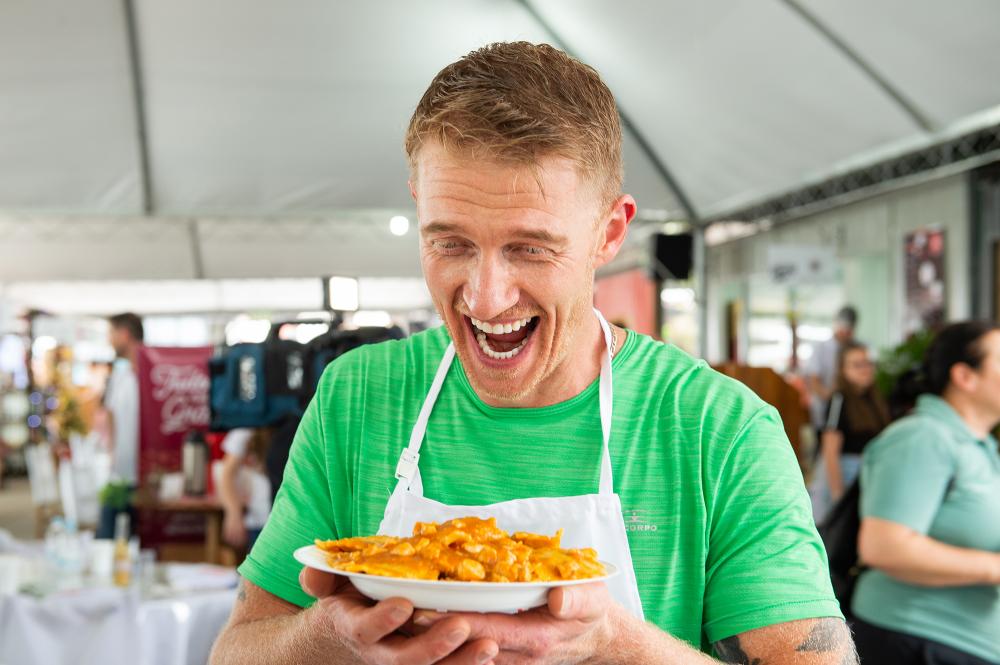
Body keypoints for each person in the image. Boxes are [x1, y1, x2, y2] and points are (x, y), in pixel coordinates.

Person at [211, 42, 855, 665]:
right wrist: (333, 637)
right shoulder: (356, 396)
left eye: (531, 249)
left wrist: (613, 645)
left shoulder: (718, 428)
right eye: (451, 243)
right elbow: (236, 652)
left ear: (609, 232)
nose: (487, 299)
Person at [853, 321, 1000, 664]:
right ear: (965, 377)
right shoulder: (923, 437)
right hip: (916, 640)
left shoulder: (980, 445)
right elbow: (884, 546)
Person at [809, 341, 890, 523]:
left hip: (868, 475)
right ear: (843, 369)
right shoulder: (839, 399)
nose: (865, 369)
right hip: (844, 475)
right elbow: (830, 453)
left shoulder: (874, 399)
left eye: (868, 363)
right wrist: (839, 497)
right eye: (857, 365)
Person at [97, 312, 143, 539]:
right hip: (120, 473)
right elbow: (111, 416)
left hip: (145, 476)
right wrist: (111, 452)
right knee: (107, 539)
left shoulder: (152, 371)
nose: (109, 340)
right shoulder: (120, 374)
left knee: (137, 540)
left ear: (124, 335)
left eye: (111, 334)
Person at [806, 306, 859, 439]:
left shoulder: (856, 347)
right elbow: (814, 380)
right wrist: (832, 399)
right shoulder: (821, 348)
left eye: (849, 329)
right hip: (825, 405)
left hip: (849, 409)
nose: (845, 333)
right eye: (843, 328)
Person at [218, 428, 273, 552]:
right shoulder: (246, 430)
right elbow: (227, 475)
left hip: (287, 521)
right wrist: (233, 513)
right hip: (258, 521)